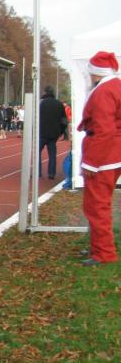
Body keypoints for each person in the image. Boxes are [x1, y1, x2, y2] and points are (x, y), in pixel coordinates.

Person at [77, 51, 121, 266]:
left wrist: (91, 162)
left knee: (96, 206)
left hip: (104, 155)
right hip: (112, 153)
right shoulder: (115, 86)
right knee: (99, 204)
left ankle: (104, 253)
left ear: (95, 72)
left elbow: (104, 130)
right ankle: (99, 247)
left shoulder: (103, 91)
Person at [39, 85, 67, 179]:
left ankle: (37, 172)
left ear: (45, 92)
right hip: (54, 133)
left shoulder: (40, 103)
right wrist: (60, 131)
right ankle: (51, 173)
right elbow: (64, 121)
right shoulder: (59, 104)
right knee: (52, 154)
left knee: (37, 153)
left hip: (41, 132)